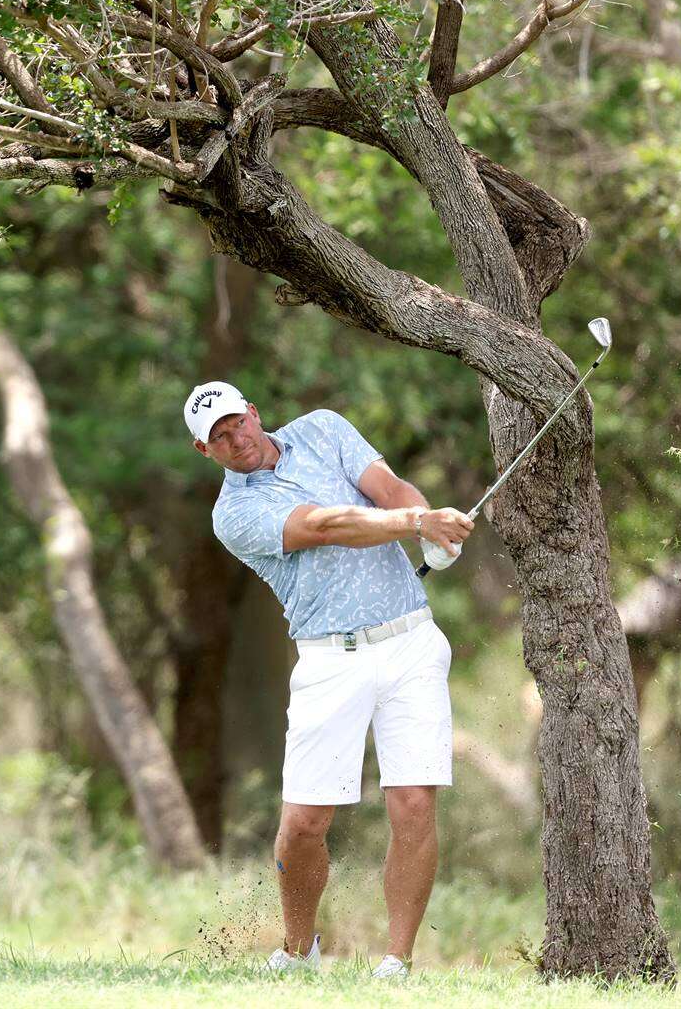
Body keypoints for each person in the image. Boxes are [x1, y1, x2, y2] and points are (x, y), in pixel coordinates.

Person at [183, 380, 474, 980]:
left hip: (411, 642)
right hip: (329, 660)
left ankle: (397, 963)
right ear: (203, 450)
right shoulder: (233, 514)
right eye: (217, 435)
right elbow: (324, 525)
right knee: (304, 824)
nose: (234, 437)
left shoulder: (323, 428)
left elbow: (388, 489)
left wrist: (430, 532)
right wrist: (418, 521)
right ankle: (297, 949)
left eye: (236, 421)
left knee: (414, 804)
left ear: (254, 413)